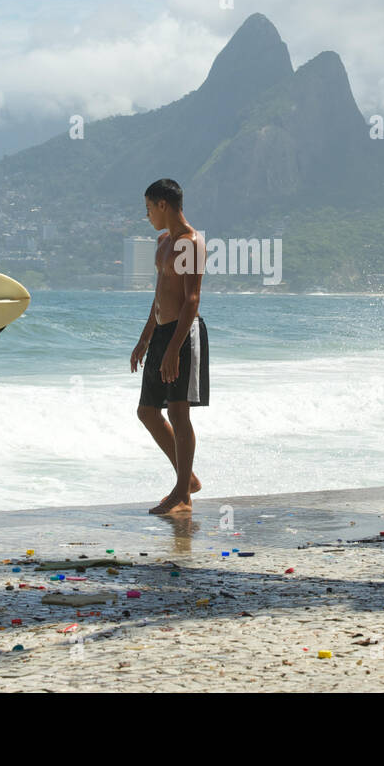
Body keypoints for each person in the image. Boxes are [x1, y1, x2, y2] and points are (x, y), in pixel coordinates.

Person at [130, 179, 209, 515]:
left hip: (183, 334)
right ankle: (186, 480)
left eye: (149, 209)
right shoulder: (163, 242)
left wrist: (175, 348)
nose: (147, 216)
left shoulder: (190, 243)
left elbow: (191, 299)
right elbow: (159, 296)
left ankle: (181, 491)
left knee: (178, 412)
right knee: (147, 411)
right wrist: (145, 338)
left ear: (163, 204)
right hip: (162, 333)